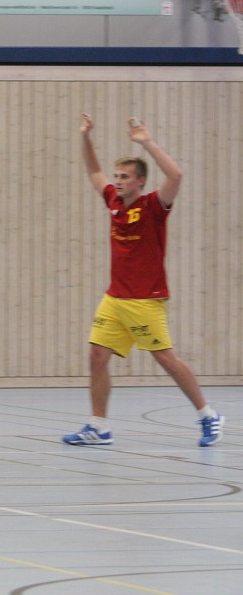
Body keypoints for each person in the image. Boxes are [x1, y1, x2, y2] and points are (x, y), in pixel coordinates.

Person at [63, 114, 222, 447]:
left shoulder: (154, 206)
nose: (117, 181)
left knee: (165, 359)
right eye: (117, 176)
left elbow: (176, 175)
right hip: (115, 297)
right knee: (97, 357)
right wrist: (86, 138)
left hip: (145, 299)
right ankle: (99, 427)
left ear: (140, 181)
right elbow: (94, 172)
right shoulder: (114, 203)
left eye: (125, 177)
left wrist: (146, 142)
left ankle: (208, 415)